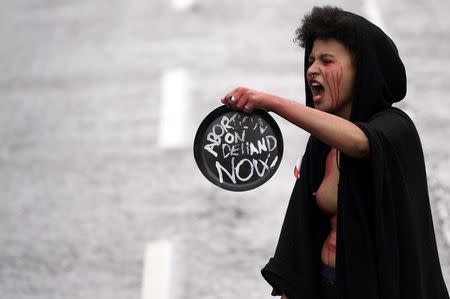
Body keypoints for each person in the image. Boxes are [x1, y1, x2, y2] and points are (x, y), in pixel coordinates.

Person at [221, 6, 449, 299]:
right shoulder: (321, 143)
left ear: (362, 72)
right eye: (311, 59)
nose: (312, 69)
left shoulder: (396, 129)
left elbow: (361, 143)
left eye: (327, 61)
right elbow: (299, 234)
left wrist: (272, 103)